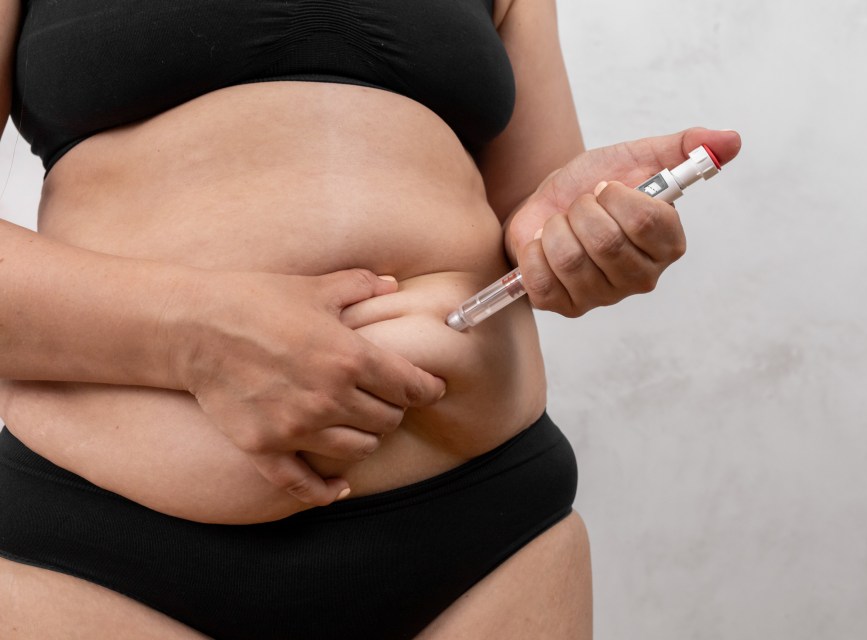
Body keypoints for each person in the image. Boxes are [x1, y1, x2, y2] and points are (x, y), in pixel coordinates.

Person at [0, 0, 741, 637]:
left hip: (483, 542)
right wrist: (194, 337)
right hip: (98, 556)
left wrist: (586, 237)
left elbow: (532, 220)